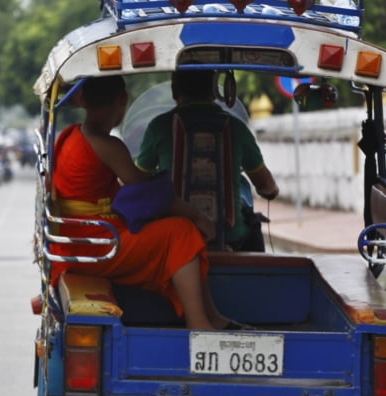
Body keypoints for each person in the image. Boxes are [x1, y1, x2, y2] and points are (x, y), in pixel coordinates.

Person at [50, 75, 242, 331]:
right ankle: (199, 323)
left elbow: (106, 193)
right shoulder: (106, 144)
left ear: (82, 99)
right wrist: (196, 216)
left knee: (176, 230)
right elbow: (149, 192)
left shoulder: (69, 136)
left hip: (76, 241)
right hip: (97, 244)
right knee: (181, 232)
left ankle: (212, 317)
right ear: (122, 99)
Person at [135, 70, 280, 251]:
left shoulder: (159, 127)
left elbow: (137, 179)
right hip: (232, 238)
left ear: (174, 92)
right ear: (214, 91)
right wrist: (271, 191)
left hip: (176, 238)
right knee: (251, 222)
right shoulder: (237, 127)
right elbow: (265, 185)